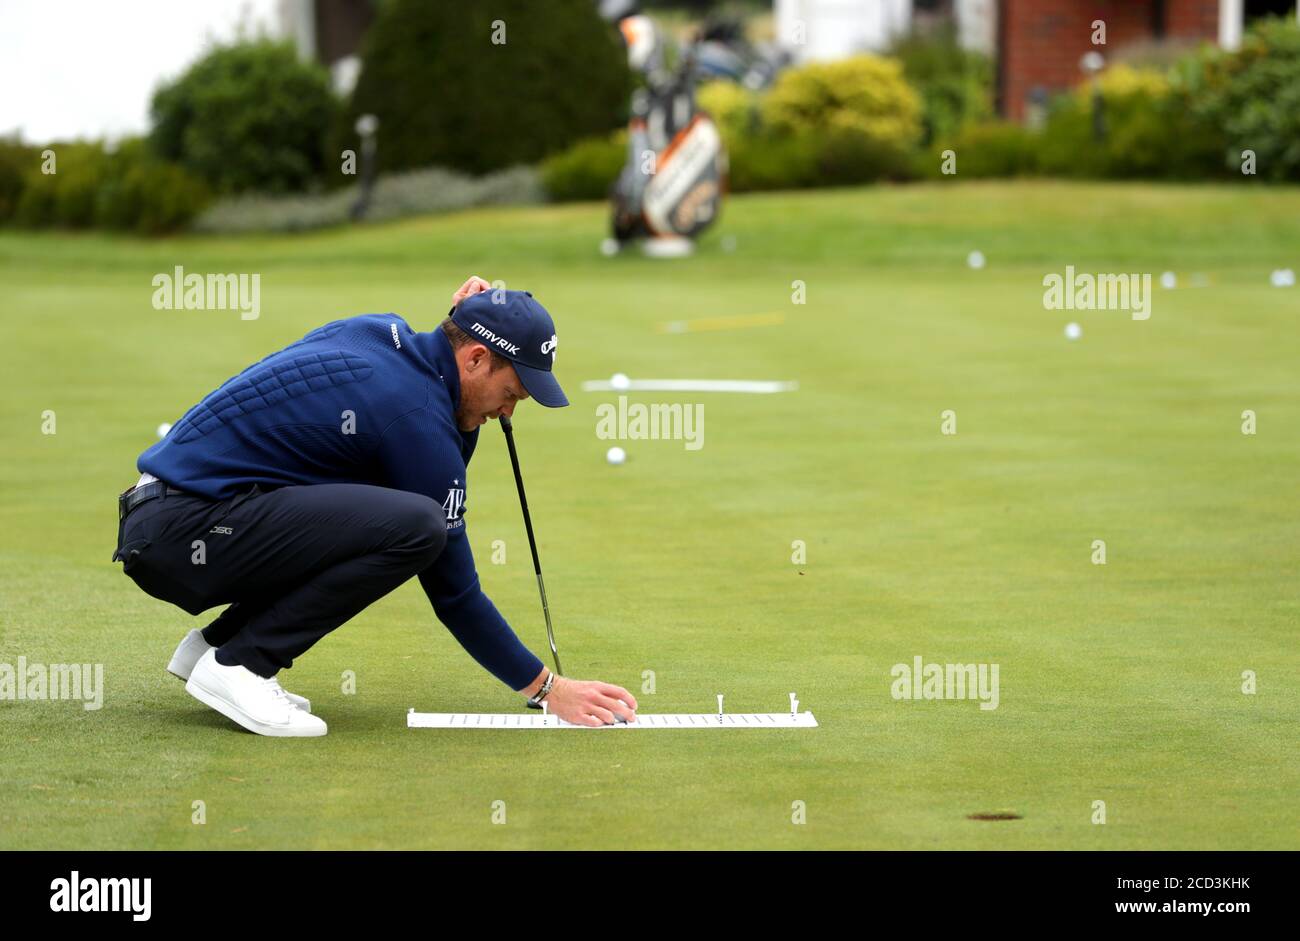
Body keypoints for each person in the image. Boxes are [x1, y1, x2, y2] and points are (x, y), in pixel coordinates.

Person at [111, 276, 638, 736]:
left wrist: (462, 328)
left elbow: (434, 443)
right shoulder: (413, 414)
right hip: (185, 533)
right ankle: (242, 665)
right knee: (417, 528)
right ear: (476, 358)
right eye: (514, 392)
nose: (509, 410)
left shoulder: (382, 334)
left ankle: (214, 650)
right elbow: (454, 592)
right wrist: (548, 689)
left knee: (379, 511)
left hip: (171, 517)